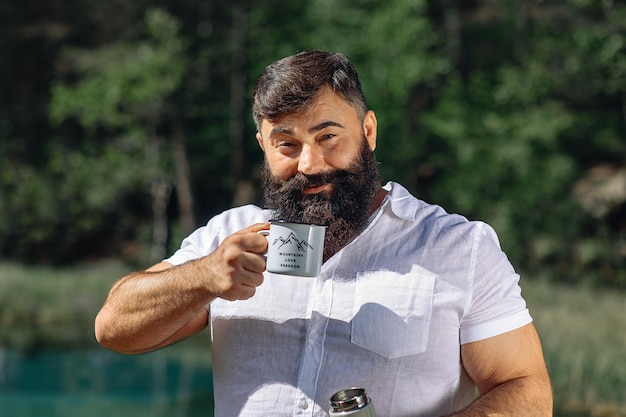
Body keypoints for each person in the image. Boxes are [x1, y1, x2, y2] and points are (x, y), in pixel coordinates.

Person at [95, 50, 552, 417]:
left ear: (368, 131)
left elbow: (527, 390)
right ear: (264, 147)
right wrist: (205, 276)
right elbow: (114, 327)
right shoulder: (231, 235)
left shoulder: (457, 245)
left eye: (328, 136)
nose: (309, 165)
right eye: (287, 145)